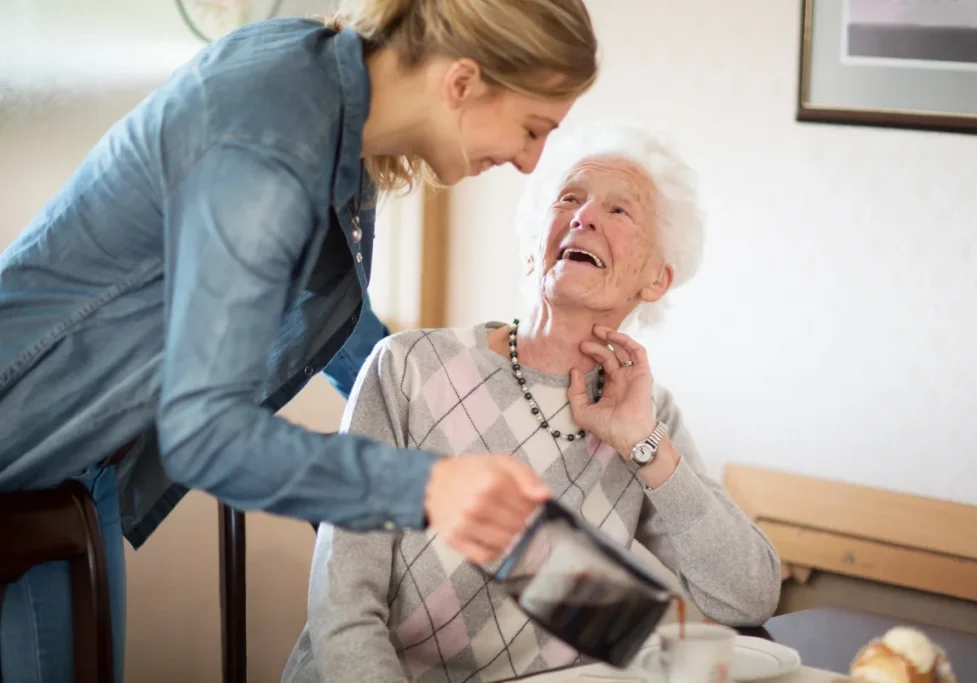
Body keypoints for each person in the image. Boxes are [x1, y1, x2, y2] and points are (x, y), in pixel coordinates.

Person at [0, 1, 599, 680]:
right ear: (462, 81)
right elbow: (205, 433)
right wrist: (431, 485)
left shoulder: (332, 108)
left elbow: (345, 334)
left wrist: (453, 444)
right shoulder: (273, 140)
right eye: (532, 128)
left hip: (85, 467)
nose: (530, 163)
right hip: (21, 447)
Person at [283, 123, 782, 683]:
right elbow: (344, 605)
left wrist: (644, 446)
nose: (584, 215)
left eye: (619, 211)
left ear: (655, 279)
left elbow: (748, 597)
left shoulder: (647, 416)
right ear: (531, 250)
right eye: (570, 197)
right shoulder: (408, 367)